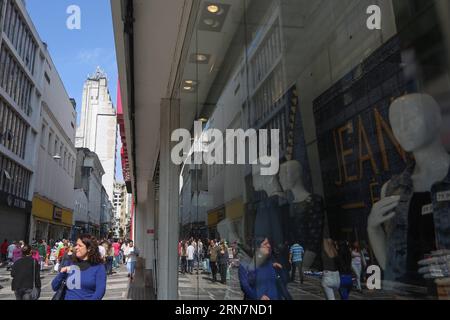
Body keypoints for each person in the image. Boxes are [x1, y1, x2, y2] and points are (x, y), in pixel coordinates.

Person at [51, 234, 106, 300]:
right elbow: (54, 287)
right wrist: (62, 273)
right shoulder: (71, 262)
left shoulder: (98, 267)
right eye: (76, 245)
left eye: (80, 245)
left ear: (89, 248)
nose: (76, 247)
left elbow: (100, 292)